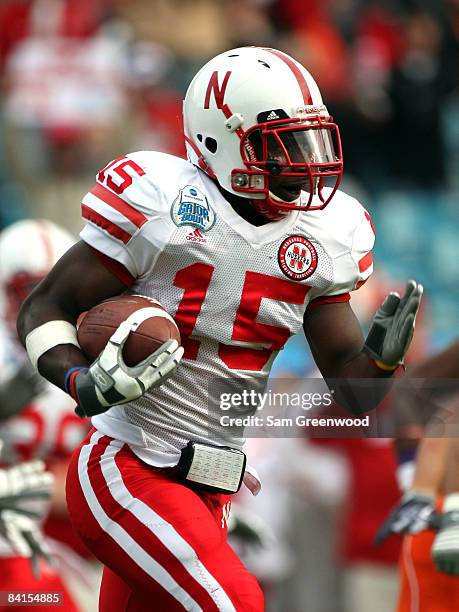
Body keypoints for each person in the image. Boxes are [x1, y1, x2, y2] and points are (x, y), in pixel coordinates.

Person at [17, 46, 423, 611]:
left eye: (311, 141)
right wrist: (83, 382)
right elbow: (44, 307)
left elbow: (354, 395)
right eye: (281, 145)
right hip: (128, 465)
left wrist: (380, 362)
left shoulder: (328, 234)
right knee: (234, 602)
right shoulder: (163, 200)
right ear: (220, 141)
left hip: (215, 484)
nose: (303, 163)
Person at [0, 219, 89, 611]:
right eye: (31, 294)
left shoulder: (94, 352)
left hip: (66, 535)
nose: (46, 311)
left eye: (59, 295)